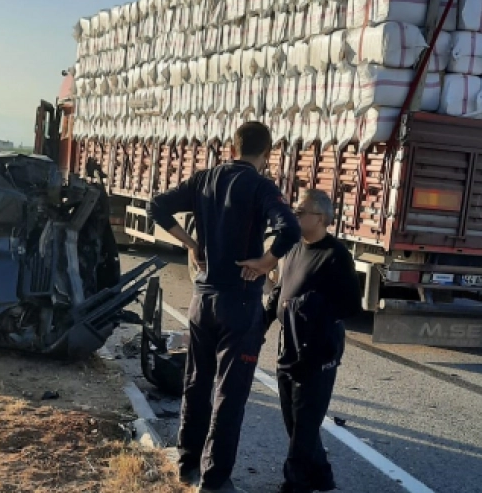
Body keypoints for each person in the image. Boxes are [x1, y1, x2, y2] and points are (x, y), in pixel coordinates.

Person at [147, 121, 301, 493]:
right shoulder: (261, 186)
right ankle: (215, 479)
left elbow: (157, 206)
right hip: (241, 300)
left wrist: (190, 243)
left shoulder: (203, 180)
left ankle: (186, 466)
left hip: (203, 299)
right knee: (230, 394)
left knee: (197, 382)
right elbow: (290, 229)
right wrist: (266, 262)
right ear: (267, 154)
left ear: (233, 148)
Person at [264, 189, 361, 493]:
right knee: (294, 420)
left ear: (321, 218)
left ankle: (295, 484)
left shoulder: (336, 256)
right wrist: (260, 324)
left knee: (305, 423)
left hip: (318, 349)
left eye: (301, 211)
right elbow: (280, 291)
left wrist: (311, 310)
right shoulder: (293, 248)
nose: (295, 215)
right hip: (288, 345)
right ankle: (321, 476)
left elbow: (350, 305)